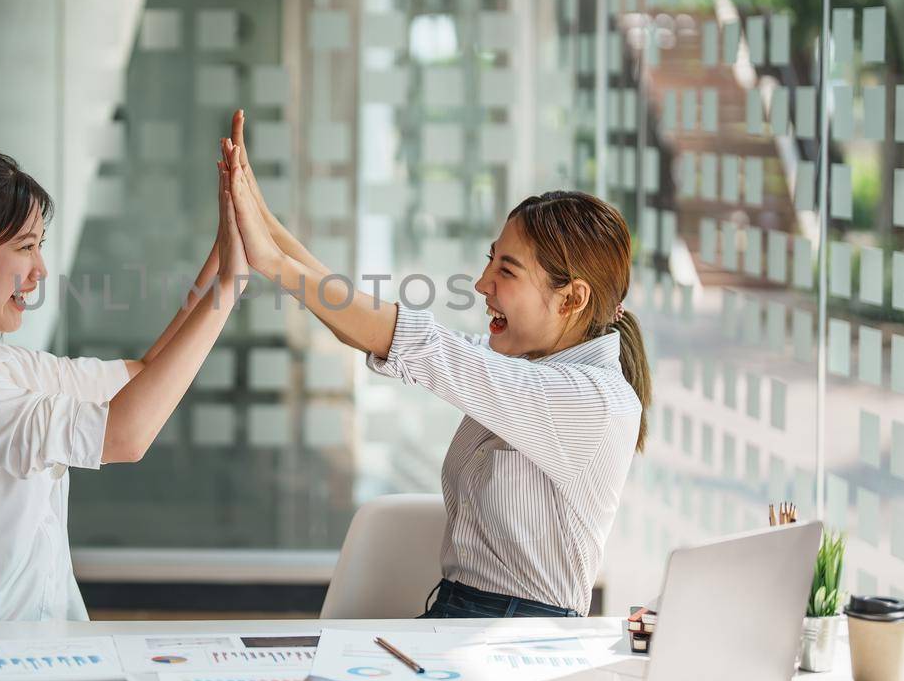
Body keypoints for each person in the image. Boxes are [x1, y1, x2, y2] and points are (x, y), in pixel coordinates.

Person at [221, 110, 650, 618]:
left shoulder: (592, 401)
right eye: (491, 259)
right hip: (463, 619)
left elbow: (415, 342)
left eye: (506, 270)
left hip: (520, 639)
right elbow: (364, 324)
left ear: (571, 299)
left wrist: (271, 262)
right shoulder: (527, 374)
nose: (482, 283)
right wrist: (262, 221)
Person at [0, 147, 246, 622]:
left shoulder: (1, 365)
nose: (40, 270)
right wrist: (227, 288)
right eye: (24, 247)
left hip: (38, 653)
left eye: (39, 245)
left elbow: (145, 376)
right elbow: (123, 435)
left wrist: (226, 254)